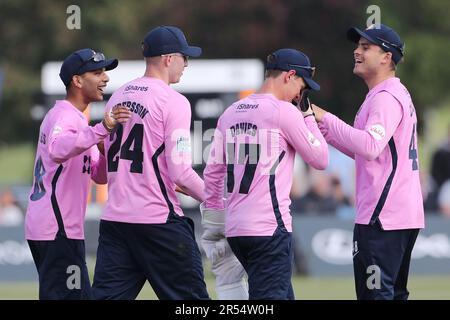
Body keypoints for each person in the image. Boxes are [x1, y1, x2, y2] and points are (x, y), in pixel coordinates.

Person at [92, 26, 209, 300]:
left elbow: (111, 165)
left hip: (116, 223)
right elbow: (181, 173)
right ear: (169, 59)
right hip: (157, 222)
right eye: (184, 57)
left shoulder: (118, 96)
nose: (187, 63)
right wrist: (217, 200)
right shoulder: (174, 101)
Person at [203, 48, 328, 300]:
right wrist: (308, 115)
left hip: (237, 228)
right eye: (301, 87)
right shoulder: (285, 112)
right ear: (289, 76)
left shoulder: (230, 113)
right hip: (269, 228)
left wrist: (215, 223)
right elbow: (320, 159)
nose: (299, 95)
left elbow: (213, 174)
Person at [312, 24, 425, 300]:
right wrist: (320, 124)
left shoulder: (385, 98)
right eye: (357, 46)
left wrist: (324, 117)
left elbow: (370, 146)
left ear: (386, 57)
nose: (357, 51)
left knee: (376, 296)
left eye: (366, 47)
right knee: (391, 295)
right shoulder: (387, 94)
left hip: (382, 217)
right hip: (397, 214)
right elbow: (363, 149)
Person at [24, 48, 130, 300]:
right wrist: (102, 128)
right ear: (77, 80)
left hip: (60, 229)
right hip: (55, 228)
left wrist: (104, 151)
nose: (105, 78)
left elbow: (99, 176)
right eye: (97, 72)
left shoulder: (79, 121)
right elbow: (58, 150)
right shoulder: (63, 115)